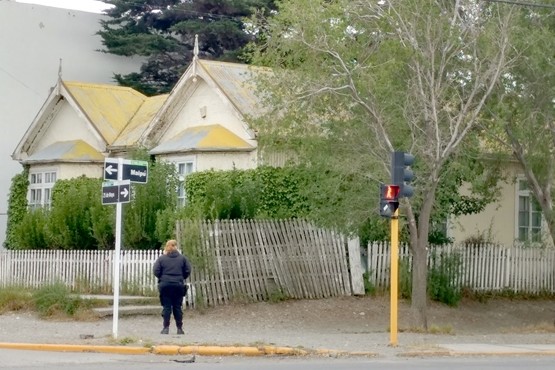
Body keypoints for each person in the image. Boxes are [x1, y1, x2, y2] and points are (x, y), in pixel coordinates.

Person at [153, 239, 191, 334]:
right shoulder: (182, 258)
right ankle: (179, 328)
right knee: (177, 307)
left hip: (165, 285)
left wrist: (162, 277)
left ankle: (166, 328)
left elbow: (156, 271)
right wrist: (181, 277)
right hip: (178, 285)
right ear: (176, 247)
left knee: (167, 307)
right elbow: (188, 270)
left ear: (166, 247)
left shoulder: (161, 259)